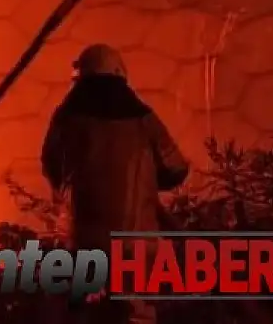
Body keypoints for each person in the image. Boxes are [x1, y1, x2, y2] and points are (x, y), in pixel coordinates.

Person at [41, 43, 190, 324]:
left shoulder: (65, 118)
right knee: (137, 314)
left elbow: (50, 165)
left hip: (83, 243)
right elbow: (176, 169)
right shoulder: (144, 118)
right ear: (120, 73)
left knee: (84, 313)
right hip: (137, 247)